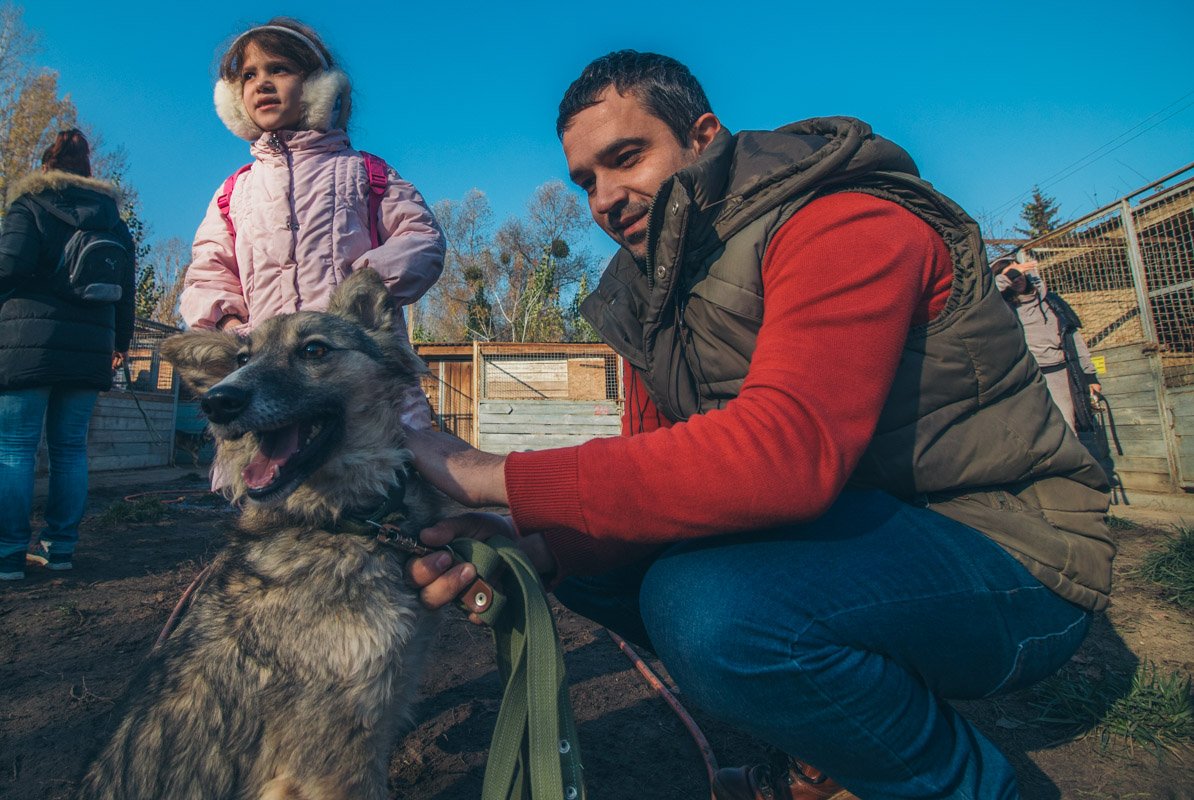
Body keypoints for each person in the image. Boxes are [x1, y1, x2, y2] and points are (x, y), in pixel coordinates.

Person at [405, 51, 1114, 799]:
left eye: (626, 158)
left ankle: (970, 787)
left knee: (709, 608)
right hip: (861, 544)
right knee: (599, 562)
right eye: (586, 180)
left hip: (1008, 553)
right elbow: (647, 471)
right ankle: (837, 750)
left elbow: (788, 453)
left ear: (704, 137)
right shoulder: (647, 298)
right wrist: (529, 546)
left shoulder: (844, 220)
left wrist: (488, 474)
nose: (605, 199)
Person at [179, 17, 443, 427]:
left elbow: (421, 238)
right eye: (249, 75)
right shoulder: (234, 192)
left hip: (355, 373)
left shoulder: (366, 172)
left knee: (391, 472)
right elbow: (208, 272)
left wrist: (360, 293)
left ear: (320, 86)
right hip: (268, 372)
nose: (262, 83)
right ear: (234, 98)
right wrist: (232, 327)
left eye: (279, 69)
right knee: (276, 474)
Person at [0, 129, 136, 581]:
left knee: (16, 449)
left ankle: (8, 554)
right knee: (70, 450)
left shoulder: (30, 205)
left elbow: (10, 266)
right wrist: (120, 343)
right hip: (89, 348)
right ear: (88, 173)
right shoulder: (112, 221)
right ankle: (60, 549)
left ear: (46, 167)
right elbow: (126, 293)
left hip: (27, 344)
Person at [993, 254, 1101, 433]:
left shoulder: (1052, 302)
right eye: (1011, 274)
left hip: (1060, 374)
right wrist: (1009, 275)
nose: (1018, 278)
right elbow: (987, 293)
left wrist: (1090, 376)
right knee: (1033, 431)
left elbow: (1074, 338)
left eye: (1020, 273)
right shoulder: (1002, 309)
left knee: (1067, 429)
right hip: (1026, 378)